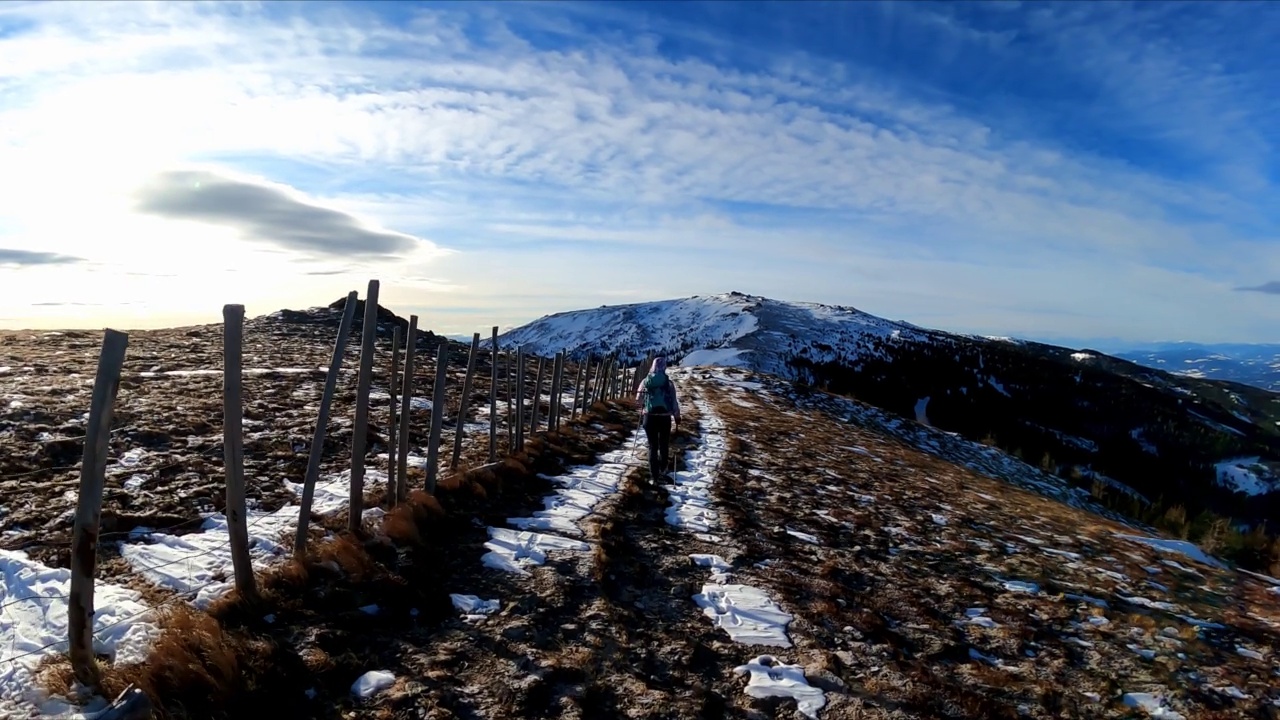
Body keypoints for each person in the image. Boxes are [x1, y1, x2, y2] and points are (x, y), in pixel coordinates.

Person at [635, 356, 680, 484]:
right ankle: (663, 469)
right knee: (664, 444)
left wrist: (644, 404)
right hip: (665, 418)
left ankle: (654, 477)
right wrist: (677, 416)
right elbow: (674, 402)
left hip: (649, 418)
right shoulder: (668, 383)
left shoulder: (645, 382)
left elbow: (638, 400)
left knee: (652, 446)